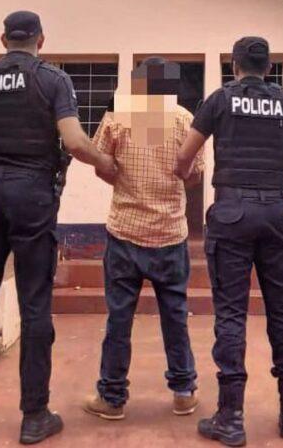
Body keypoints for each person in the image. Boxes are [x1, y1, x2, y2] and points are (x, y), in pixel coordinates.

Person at [0, 10, 117, 444]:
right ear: (41, 39)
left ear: (2, 39)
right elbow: (73, 141)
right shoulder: (53, 80)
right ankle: (34, 416)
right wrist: (106, 162)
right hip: (33, 195)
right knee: (35, 305)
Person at [175, 36, 283, 445]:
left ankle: (230, 419)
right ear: (268, 68)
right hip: (278, 215)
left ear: (234, 66)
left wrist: (186, 177)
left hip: (231, 215)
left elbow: (184, 157)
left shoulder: (218, 100)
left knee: (231, 314)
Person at [82, 57, 204, 421]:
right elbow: (194, 176)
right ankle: (183, 393)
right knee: (175, 316)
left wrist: (122, 180)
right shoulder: (185, 120)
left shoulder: (120, 116)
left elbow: (101, 166)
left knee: (119, 318)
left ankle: (112, 398)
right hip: (169, 235)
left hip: (125, 234)